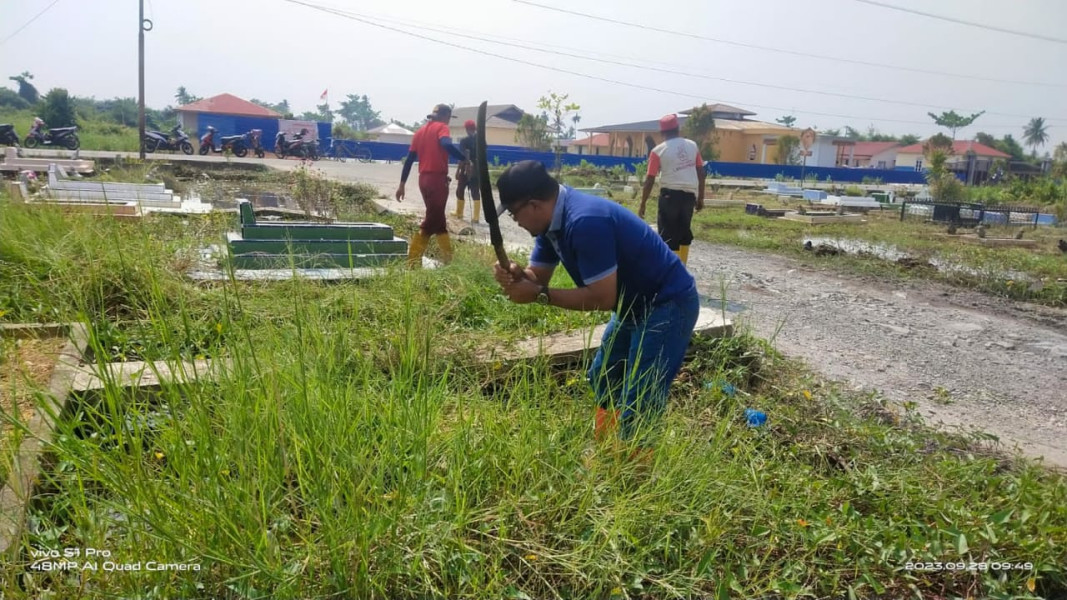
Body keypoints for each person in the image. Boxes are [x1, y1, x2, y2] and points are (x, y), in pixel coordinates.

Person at [491, 160, 700, 455]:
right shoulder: (552, 223)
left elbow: (602, 298)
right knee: (606, 375)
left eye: (515, 214)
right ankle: (606, 452)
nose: (517, 222)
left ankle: (631, 479)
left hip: (666, 303)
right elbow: (537, 277)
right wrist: (516, 275)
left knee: (641, 394)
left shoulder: (585, 221)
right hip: (633, 305)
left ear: (534, 205)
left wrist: (538, 295)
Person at [396, 104, 468, 266]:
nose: (448, 122)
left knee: (439, 221)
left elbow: (409, 160)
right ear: (445, 116)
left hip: (424, 180)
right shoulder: (442, 127)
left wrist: (402, 184)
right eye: (449, 118)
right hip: (437, 180)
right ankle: (412, 262)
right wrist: (463, 158)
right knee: (430, 222)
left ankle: (448, 261)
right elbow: (446, 144)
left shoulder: (420, 132)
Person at [638, 114, 705, 265]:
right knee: (683, 232)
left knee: (667, 235)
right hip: (689, 196)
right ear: (678, 129)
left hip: (670, 197)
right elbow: (701, 172)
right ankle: (682, 268)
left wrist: (643, 203)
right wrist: (700, 197)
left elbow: (650, 179)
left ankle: (671, 272)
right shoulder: (692, 145)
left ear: (662, 133)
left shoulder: (658, 150)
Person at [452, 119, 482, 223]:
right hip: (477, 169)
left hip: (466, 168)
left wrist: (458, 170)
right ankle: (476, 217)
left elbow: (463, 156)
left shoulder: (464, 141)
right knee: (475, 191)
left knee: (460, 190)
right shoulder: (481, 140)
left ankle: (459, 213)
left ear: (466, 128)